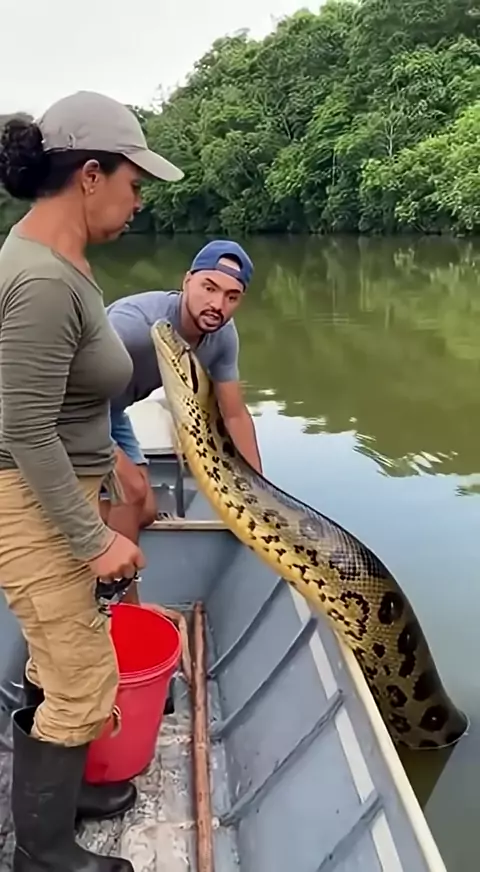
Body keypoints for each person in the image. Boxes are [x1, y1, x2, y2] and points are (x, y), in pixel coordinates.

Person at [0, 90, 183, 871]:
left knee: (60, 658)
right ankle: (42, 853)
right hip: (31, 500)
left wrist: (111, 478)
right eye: (133, 183)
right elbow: (21, 427)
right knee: (80, 679)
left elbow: (67, 405)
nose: (138, 201)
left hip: (60, 490)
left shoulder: (61, 263)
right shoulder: (42, 280)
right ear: (89, 175)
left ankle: (66, 791)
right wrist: (94, 540)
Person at [102, 240, 262, 603]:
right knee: (131, 493)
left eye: (232, 296)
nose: (218, 305)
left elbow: (234, 414)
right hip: (72, 411)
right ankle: (125, 606)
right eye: (209, 288)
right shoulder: (132, 326)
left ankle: (76, 526)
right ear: (187, 280)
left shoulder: (222, 335)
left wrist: (257, 496)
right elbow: (64, 392)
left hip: (113, 411)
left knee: (145, 510)